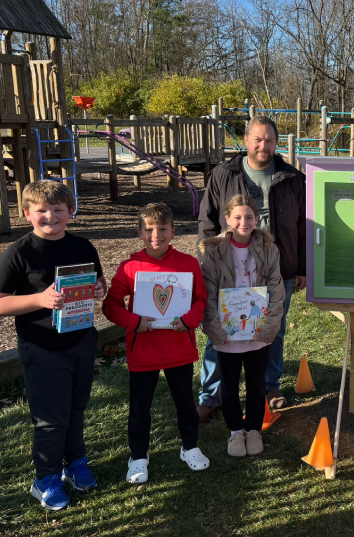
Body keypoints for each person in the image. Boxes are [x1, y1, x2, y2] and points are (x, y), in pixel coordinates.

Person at [0, 181, 106, 511]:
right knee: (51, 419)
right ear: (27, 214)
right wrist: (39, 299)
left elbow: (98, 280)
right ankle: (46, 478)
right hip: (42, 347)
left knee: (75, 410)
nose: (49, 216)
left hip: (80, 339)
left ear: (70, 212)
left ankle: (75, 463)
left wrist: (98, 289)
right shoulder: (19, 252)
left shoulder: (83, 246)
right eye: (41, 210)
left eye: (57, 210)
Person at [197, 116, 305, 418]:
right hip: (230, 267)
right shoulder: (223, 174)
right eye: (258, 139)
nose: (263, 145)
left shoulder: (292, 177)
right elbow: (207, 221)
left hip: (275, 268)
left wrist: (302, 267)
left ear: (276, 143)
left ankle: (270, 385)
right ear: (246, 141)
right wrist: (209, 262)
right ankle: (211, 395)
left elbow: (301, 226)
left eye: (270, 140)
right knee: (219, 327)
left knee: (274, 327)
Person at [102, 203, 210, 484]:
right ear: (139, 232)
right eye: (149, 229)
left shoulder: (187, 264)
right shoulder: (129, 267)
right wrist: (134, 321)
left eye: (163, 229)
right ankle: (138, 456)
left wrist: (189, 319)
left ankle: (190, 447)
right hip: (144, 352)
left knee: (186, 403)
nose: (156, 235)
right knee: (140, 407)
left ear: (173, 231)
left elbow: (201, 298)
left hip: (179, 349)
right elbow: (111, 305)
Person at [200, 195, 285, 457]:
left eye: (249, 217)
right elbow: (209, 292)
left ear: (256, 218)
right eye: (237, 217)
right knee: (229, 385)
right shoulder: (213, 251)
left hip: (258, 331)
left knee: (257, 384)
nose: (243, 222)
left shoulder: (269, 248)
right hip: (227, 334)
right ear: (227, 219)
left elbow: (276, 290)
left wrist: (270, 326)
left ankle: (254, 430)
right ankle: (235, 431)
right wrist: (215, 329)